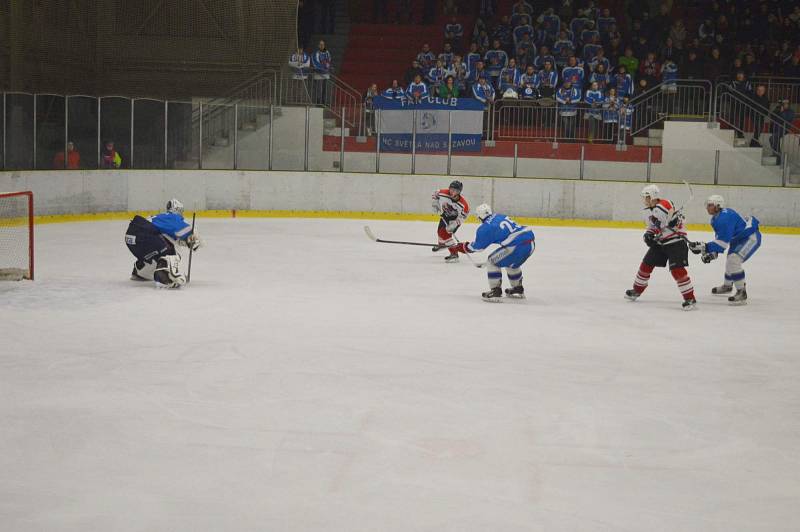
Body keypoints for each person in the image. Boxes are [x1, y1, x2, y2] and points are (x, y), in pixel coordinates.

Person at [625, 185, 697, 310]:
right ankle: (637, 290)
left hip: (676, 242)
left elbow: (678, 218)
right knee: (646, 265)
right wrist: (649, 234)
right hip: (661, 242)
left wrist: (676, 220)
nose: (645, 200)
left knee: (677, 271)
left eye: (647, 197)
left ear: (653, 196)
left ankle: (690, 298)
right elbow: (653, 226)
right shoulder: (647, 211)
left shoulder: (665, 204)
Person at [452, 204, 535, 301]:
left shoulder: (485, 227)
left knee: (491, 261)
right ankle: (517, 289)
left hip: (516, 245)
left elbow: (477, 248)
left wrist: (462, 247)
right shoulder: (500, 216)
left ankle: (495, 292)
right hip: (530, 242)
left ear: (479, 216)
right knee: (511, 263)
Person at [689, 195, 761, 305]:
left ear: (718, 206)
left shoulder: (724, 218)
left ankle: (742, 292)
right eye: (707, 205)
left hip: (750, 237)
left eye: (710, 205)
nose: (708, 208)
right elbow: (721, 240)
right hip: (738, 239)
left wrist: (703, 247)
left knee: (733, 260)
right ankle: (728, 286)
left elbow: (722, 244)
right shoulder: (715, 219)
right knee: (730, 262)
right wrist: (713, 253)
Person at [124, 199, 202, 289]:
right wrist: (193, 238)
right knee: (170, 249)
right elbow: (185, 230)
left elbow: (165, 235)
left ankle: (141, 272)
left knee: (157, 253)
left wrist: (184, 240)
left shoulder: (160, 217)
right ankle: (164, 277)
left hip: (131, 237)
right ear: (177, 210)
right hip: (144, 234)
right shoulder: (172, 217)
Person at [431, 180, 470, 263]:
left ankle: (454, 253)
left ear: (459, 192)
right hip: (445, 215)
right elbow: (436, 193)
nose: (452, 192)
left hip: (455, 219)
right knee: (439, 232)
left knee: (444, 234)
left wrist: (455, 224)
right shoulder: (443, 193)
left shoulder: (463, 204)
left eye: (455, 190)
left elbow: (464, 216)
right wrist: (435, 202)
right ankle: (442, 244)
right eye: (451, 189)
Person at [311, 40, 332, 105]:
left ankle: (323, 102)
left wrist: (327, 66)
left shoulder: (327, 52)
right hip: (318, 74)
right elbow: (315, 63)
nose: (322, 46)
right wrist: (323, 67)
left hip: (326, 74)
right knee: (318, 89)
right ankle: (318, 102)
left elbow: (329, 60)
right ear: (318, 45)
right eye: (320, 44)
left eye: (323, 44)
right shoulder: (315, 53)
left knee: (325, 89)